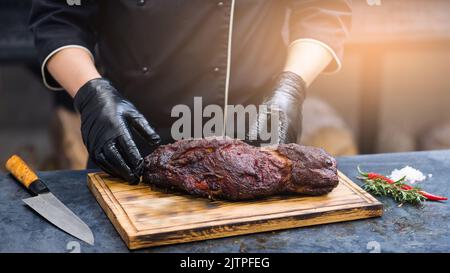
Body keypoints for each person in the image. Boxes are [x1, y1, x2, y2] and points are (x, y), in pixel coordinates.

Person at [29, 0, 352, 183]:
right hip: (130, 141)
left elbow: (322, 10)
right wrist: (92, 93)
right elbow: (59, 17)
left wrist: (290, 87)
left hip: (254, 144)